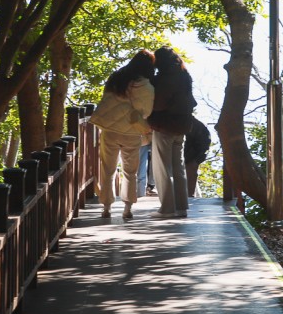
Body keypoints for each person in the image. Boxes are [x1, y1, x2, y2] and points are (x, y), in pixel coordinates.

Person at [89, 50, 155, 219]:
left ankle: (106, 207)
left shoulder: (116, 78)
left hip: (110, 130)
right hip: (131, 133)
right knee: (130, 171)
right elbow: (146, 112)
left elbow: (106, 100)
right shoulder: (146, 86)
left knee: (108, 169)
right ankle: (127, 208)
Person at [147, 47, 196, 218]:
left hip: (165, 124)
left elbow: (159, 104)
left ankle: (167, 208)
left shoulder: (165, 78)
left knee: (162, 167)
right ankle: (181, 206)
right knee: (178, 166)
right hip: (182, 125)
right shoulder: (184, 74)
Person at [184, 117, 211, 197]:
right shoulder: (182, 122)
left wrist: (196, 160)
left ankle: (190, 197)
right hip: (185, 156)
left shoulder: (197, 126)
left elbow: (205, 143)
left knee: (190, 175)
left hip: (192, 157)